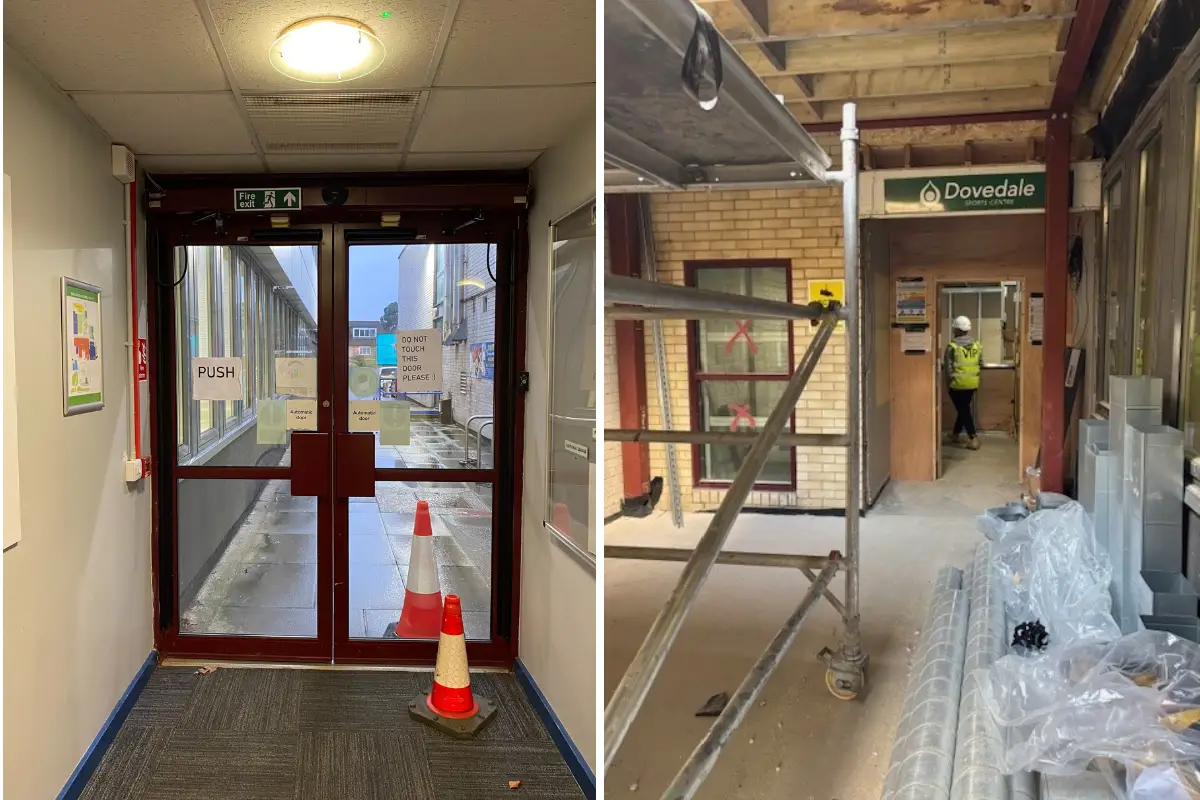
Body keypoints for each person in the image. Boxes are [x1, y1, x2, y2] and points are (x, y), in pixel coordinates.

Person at [944, 315, 982, 450]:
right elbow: (980, 363)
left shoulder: (952, 346)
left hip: (957, 384)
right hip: (972, 383)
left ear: (957, 330)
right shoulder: (977, 345)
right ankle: (955, 434)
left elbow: (948, 369)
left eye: (954, 327)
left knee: (963, 410)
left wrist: (948, 383)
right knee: (963, 409)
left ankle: (973, 437)